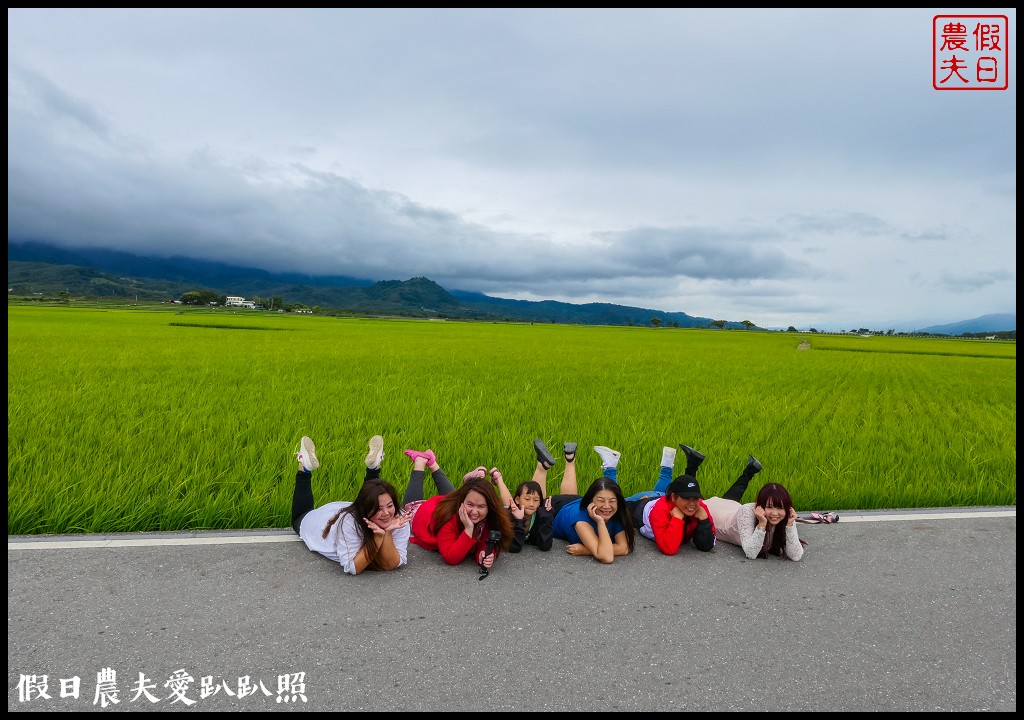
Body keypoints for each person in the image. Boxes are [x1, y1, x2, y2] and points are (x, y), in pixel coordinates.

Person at [290, 434, 410, 575]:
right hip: (320, 521)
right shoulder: (349, 523)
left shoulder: (399, 518)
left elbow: (391, 564)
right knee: (299, 518)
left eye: (390, 506)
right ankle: (305, 470)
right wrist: (378, 537)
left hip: (352, 509)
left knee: (371, 497)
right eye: (379, 509)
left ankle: (373, 468)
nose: (386, 513)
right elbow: (353, 568)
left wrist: (387, 532)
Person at [402, 447, 514, 569]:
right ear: (461, 502)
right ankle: (420, 462)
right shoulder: (449, 519)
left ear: (490, 507)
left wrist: (485, 553)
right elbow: (451, 558)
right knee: (411, 507)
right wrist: (468, 529)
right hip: (424, 515)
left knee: (456, 495)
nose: (475, 512)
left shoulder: (488, 516)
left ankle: (433, 464)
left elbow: (485, 539)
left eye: (481, 506)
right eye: (471, 505)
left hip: (448, 502)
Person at [703, 457, 805, 561]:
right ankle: (692, 465)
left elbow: (796, 556)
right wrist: (761, 524)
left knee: (729, 499)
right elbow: (751, 553)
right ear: (760, 505)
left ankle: (750, 469)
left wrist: (790, 525)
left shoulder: (786, 515)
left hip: (732, 508)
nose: (775, 513)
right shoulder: (747, 511)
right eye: (769, 507)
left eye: (780, 508)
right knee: (691, 502)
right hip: (716, 516)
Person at [623, 444, 716, 555]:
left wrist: (704, 521)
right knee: (616, 504)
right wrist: (677, 518)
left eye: (695, 498)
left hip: (662, 497)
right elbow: (669, 549)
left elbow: (707, 546)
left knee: (661, 491)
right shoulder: (660, 509)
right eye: (686, 498)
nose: (692, 503)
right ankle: (610, 466)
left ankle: (668, 462)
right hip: (642, 507)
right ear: (673, 498)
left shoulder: (701, 508)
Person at [548, 444, 635, 563]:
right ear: (591, 500)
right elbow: (607, 557)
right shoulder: (581, 521)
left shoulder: (617, 512)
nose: (607, 506)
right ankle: (543, 466)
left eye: (612, 501)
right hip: (554, 510)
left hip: (574, 502)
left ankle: (570, 459)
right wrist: (600, 522)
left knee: (570, 496)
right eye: (600, 500)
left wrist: (586, 550)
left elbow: (624, 548)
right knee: (534, 501)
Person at [491, 439, 565, 553]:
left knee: (513, 503)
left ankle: (498, 478)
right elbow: (514, 548)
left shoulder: (540, 515)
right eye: (527, 499)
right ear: (518, 499)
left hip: (516, 505)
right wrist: (519, 521)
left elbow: (545, 546)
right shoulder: (509, 516)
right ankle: (498, 479)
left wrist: (547, 517)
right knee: (509, 506)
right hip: (510, 510)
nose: (532, 504)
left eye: (536, 500)